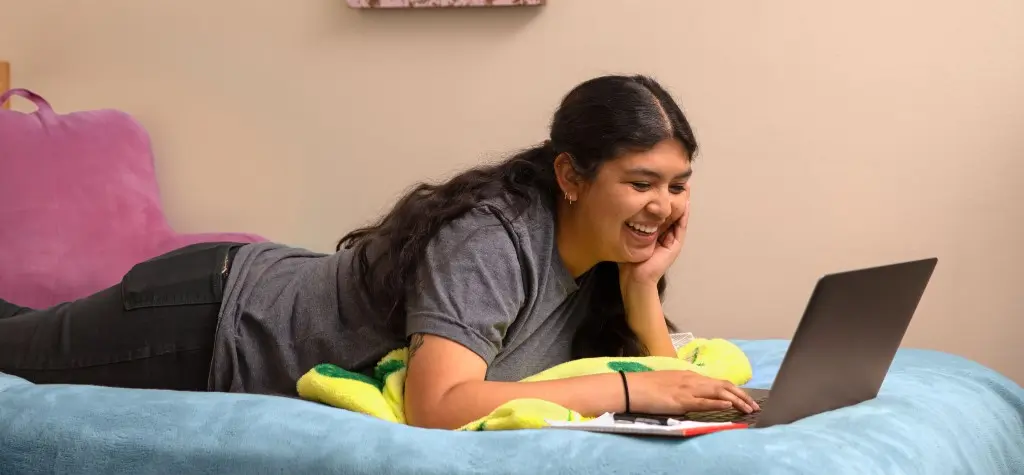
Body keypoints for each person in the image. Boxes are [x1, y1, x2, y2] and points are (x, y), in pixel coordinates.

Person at [0, 74, 759, 430]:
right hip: (209, 320)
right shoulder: (494, 239)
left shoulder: (598, 268)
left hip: (236, 295)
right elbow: (439, 405)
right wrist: (628, 392)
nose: (665, 206)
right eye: (642, 183)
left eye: (679, 185)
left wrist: (642, 290)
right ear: (571, 175)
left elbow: (664, 382)